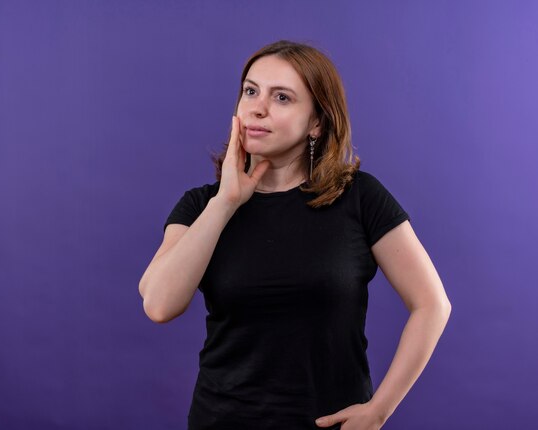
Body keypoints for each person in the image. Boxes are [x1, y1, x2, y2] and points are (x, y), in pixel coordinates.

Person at [138, 40, 451, 430]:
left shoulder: (359, 198)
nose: (257, 107)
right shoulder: (201, 206)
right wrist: (226, 202)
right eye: (250, 91)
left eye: (282, 97)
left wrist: (378, 410)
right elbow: (159, 305)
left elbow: (432, 304)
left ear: (317, 122)